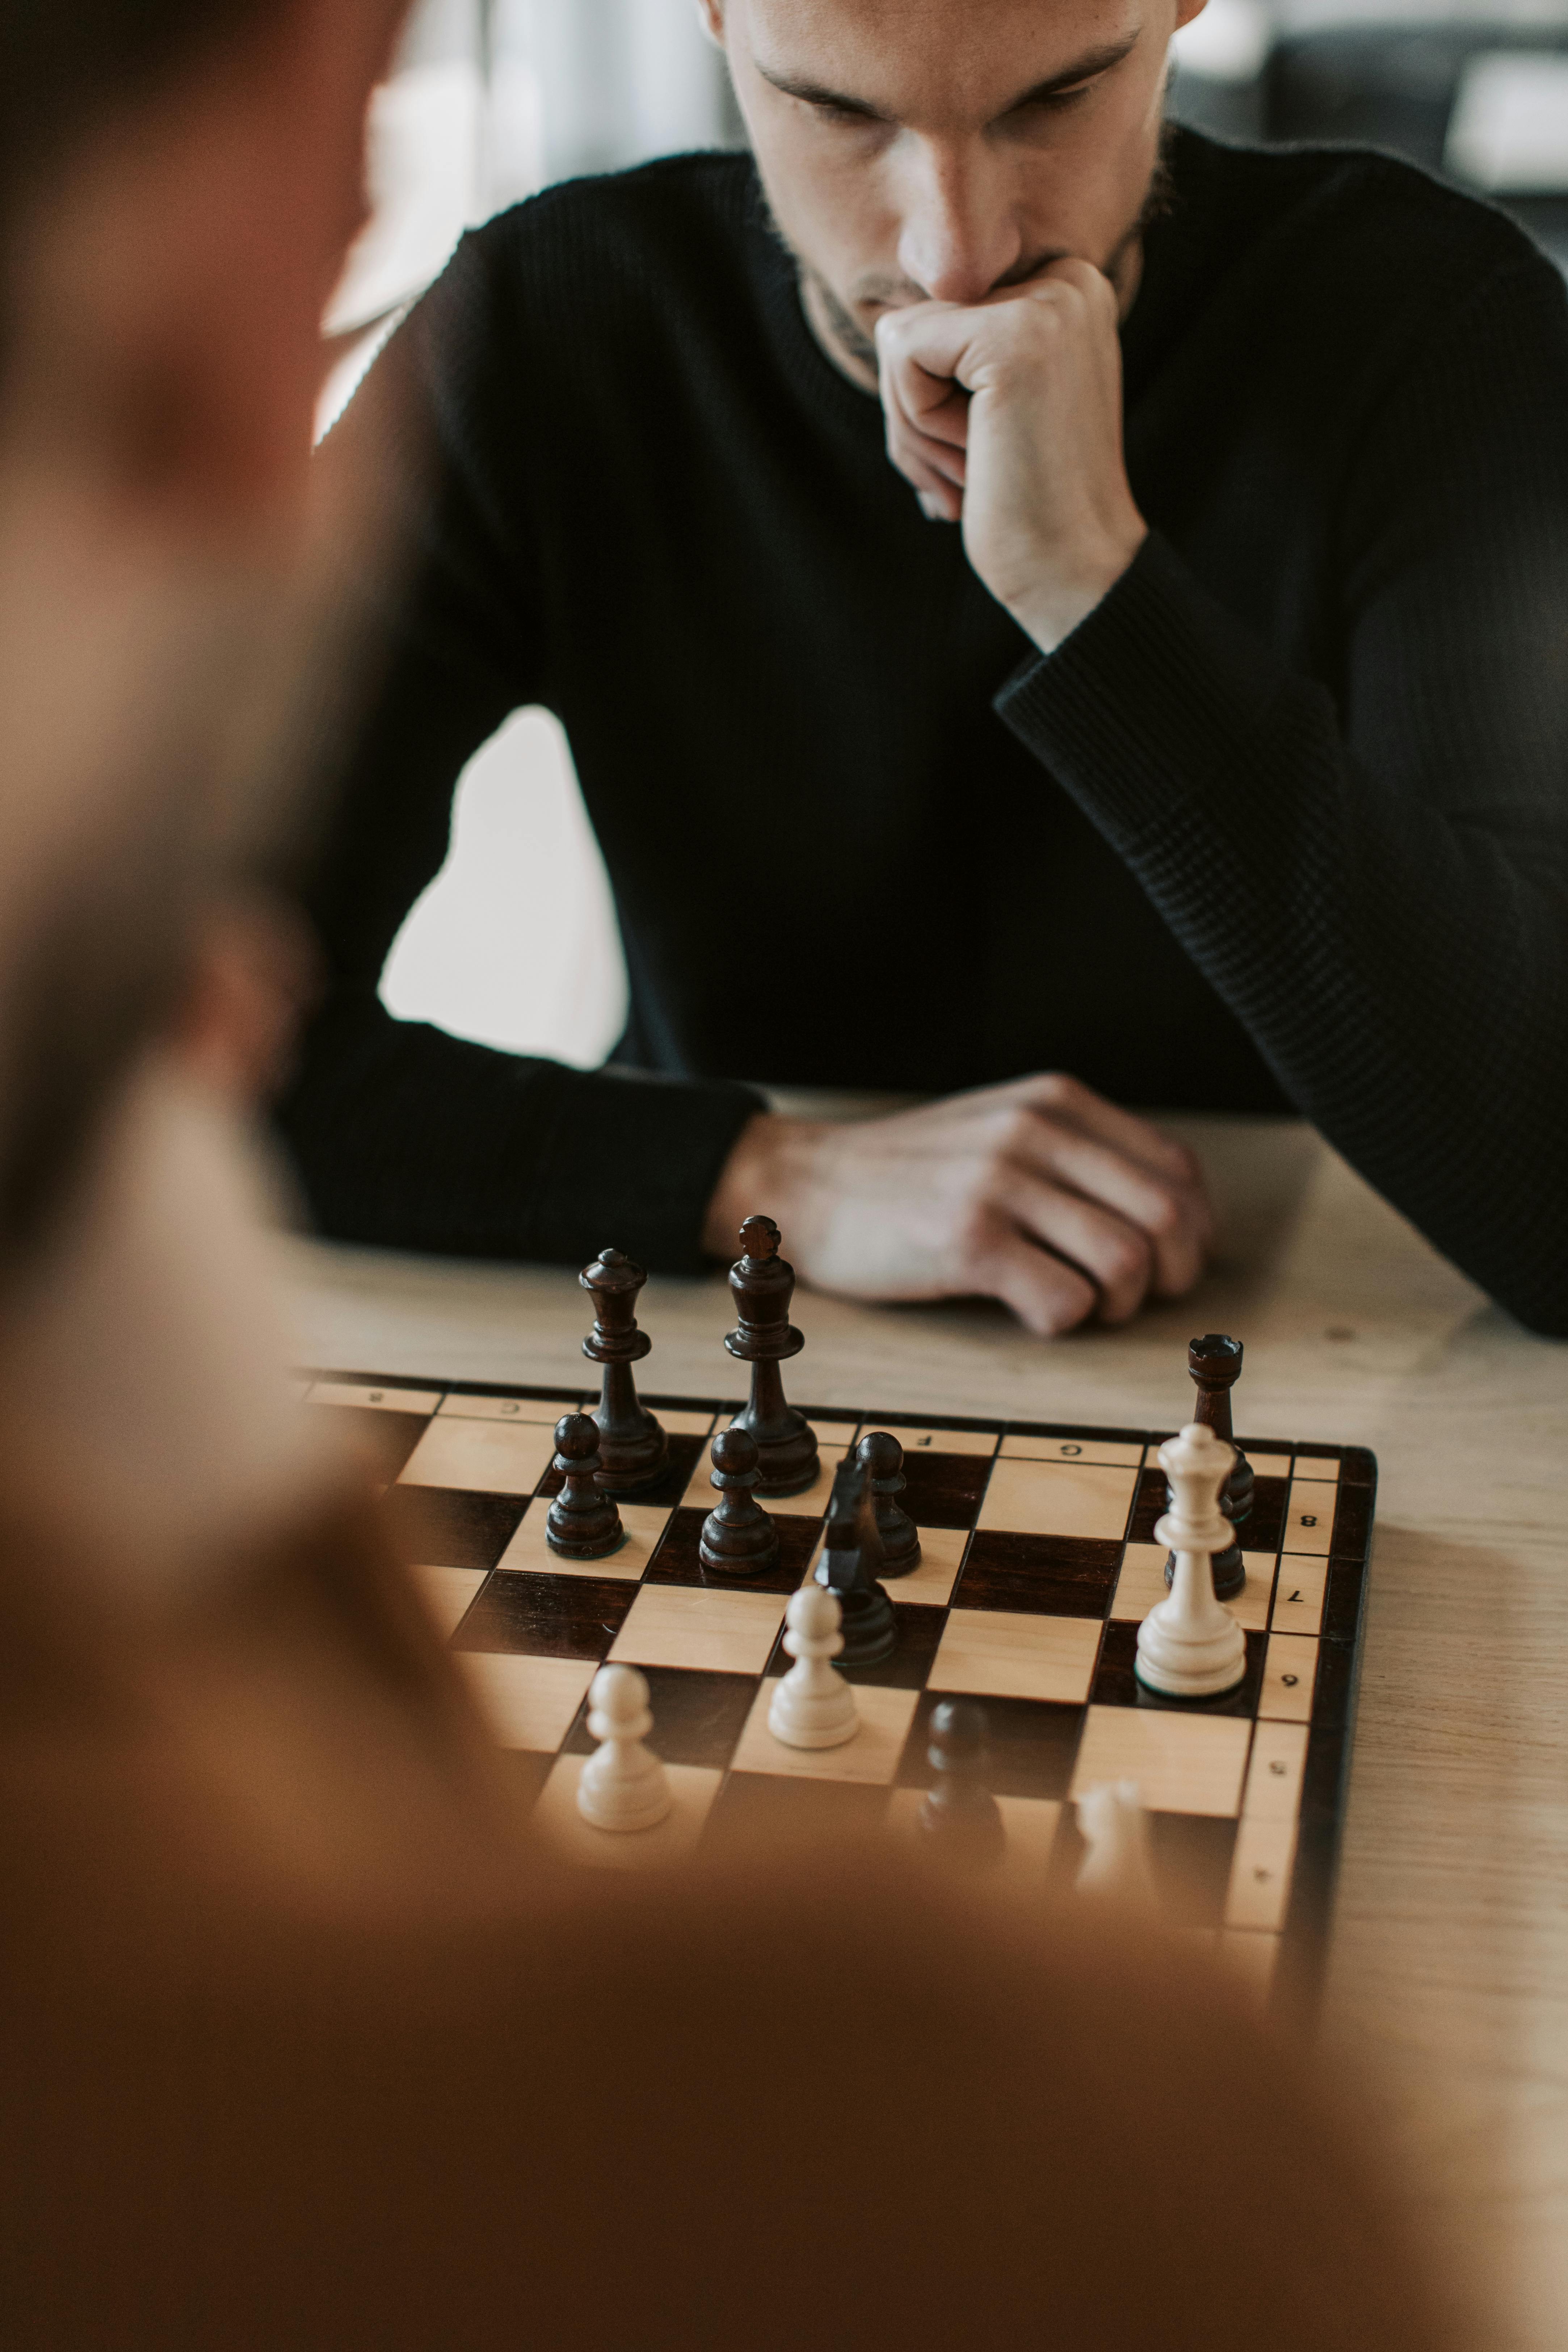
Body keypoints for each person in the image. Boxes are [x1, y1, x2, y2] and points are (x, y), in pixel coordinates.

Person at [286, 0, 1568, 1340]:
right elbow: (148, 1046)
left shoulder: (1428, 322)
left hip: (1281, 1348)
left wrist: (1092, 588)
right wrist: (761, 1174)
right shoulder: (549, 324)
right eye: (841, 113)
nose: (955, 255)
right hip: (728, 1352)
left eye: (1056, 98)